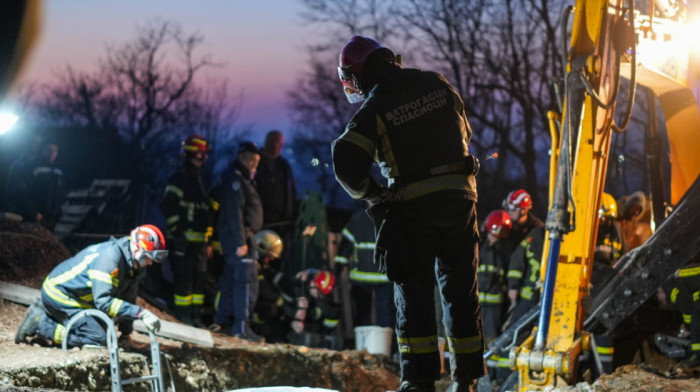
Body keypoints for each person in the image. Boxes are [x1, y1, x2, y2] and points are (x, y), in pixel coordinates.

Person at [332, 36, 484, 392]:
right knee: (462, 289)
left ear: (356, 74)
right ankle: (467, 380)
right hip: (461, 199)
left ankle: (419, 381)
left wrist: (375, 196)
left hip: (413, 207)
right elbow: (464, 128)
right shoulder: (436, 82)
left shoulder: (376, 106)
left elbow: (345, 163)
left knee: (413, 292)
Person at [15, 225, 166, 348]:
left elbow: (129, 297)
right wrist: (141, 313)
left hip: (75, 295)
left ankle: (46, 312)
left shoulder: (132, 265)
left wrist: (125, 334)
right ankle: (41, 323)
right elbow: (103, 302)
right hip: (59, 293)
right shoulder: (109, 260)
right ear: (137, 249)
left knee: (106, 333)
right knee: (96, 339)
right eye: (148, 257)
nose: (151, 263)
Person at [209, 141, 264, 340]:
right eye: (252, 161)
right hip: (239, 239)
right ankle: (242, 328)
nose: (254, 165)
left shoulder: (242, 178)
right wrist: (241, 241)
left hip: (240, 237)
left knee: (231, 279)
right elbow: (234, 211)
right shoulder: (235, 178)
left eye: (257, 161)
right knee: (246, 282)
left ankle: (220, 322)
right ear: (242, 158)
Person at [159, 135, 215, 327]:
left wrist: (207, 241)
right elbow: (167, 205)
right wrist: (178, 232)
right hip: (183, 242)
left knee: (199, 282)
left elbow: (204, 213)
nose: (204, 158)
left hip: (198, 243)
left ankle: (195, 318)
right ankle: (183, 318)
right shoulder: (180, 177)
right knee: (184, 281)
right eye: (201, 153)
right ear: (191, 153)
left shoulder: (199, 178)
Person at [334, 205, 395, 329]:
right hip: (384, 277)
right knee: (386, 317)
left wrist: (337, 270)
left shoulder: (358, 218)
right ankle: (387, 345)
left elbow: (344, 248)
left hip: (361, 278)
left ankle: (363, 344)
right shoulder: (393, 218)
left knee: (363, 316)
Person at [250, 230, 308, 343]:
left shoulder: (257, 262)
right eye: (269, 256)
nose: (271, 259)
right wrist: (278, 300)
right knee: (271, 309)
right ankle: (254, 327)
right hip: (246, 304)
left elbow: (268, 274)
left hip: (253, 298)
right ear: (261, 248)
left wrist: (283, 280)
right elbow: (262, 288)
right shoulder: (250, 264)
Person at [255, 130, 297, 273]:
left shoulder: (284, 166)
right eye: (276, 143)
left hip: (281, 226)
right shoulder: (256, 163)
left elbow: (290, 192)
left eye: (280, 144)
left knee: (278, 263)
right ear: (267, 143)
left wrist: (290, 216)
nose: (278, 147)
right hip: (260, 224)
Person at [21, 142, 66, 231]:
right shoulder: (33, 168)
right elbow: (25, 193)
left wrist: (58, 212)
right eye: (49, 150)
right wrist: (34, 213)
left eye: (55, 151)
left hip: (52, 217)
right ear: (43, 151)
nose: (52, 153)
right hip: (36, 216)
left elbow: (60, 193)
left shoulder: (58, 171)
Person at [506, 226, 545, 324]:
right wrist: (513, 286)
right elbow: (517, 259)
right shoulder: (538, 233)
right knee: (516, 330)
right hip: (527, 298)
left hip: (547, 301)